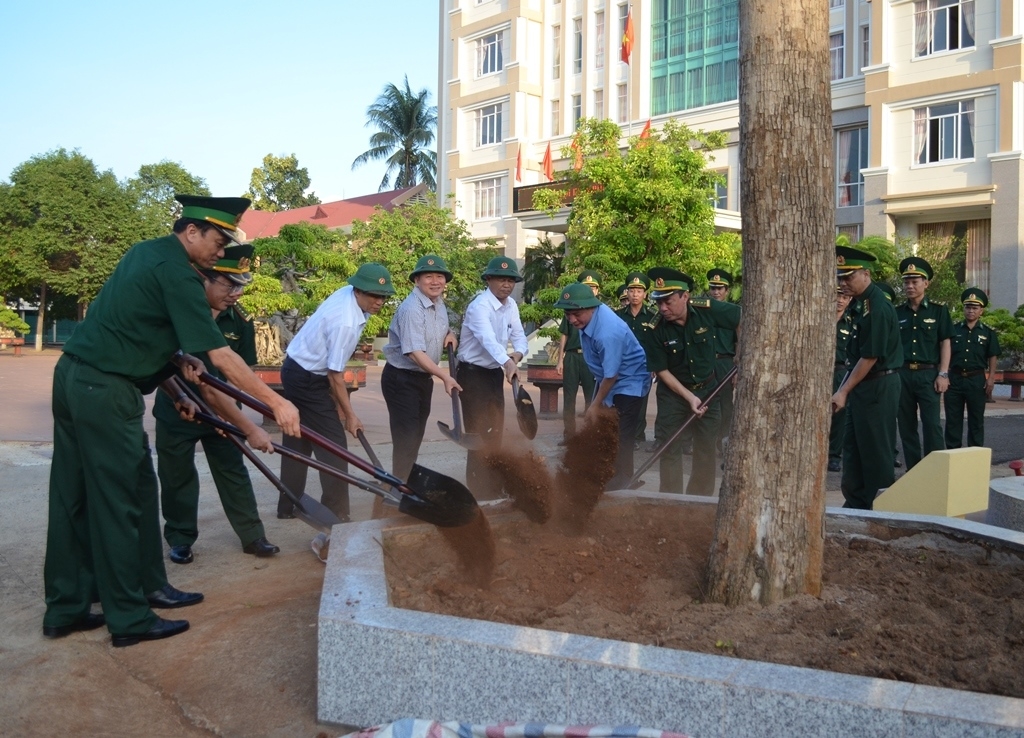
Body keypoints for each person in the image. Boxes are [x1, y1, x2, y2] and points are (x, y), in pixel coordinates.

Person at [43, 195, 301, 648]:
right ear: (192, 231)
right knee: (118, 501)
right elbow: (220, 356)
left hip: (75, 378)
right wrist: (274, 405)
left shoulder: (146, 251)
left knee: (85, 493)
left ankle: (72, 606)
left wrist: (176, 376)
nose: (221, 252)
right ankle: (129, 618)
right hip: (106, 391)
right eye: (218, 242)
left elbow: (136, 328)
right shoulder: (181, 273)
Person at [154, 244, 279, 565]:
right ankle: (180, 539)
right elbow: (158, 363)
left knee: (234, 471)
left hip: (221, 411)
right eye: (229, 284)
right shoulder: (175, 316)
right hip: (177, 410)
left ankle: (253, 536)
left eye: (241, 285)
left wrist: (239, 419)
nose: (236, 293)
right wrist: (178, 397)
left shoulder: (239, 322)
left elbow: (242, 377)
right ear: (204, 280)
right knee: (177, 477)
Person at [277, 263, 396, 520]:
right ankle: (337, 513)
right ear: (358, 291)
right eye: (374, 295)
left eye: (383, 297)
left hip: (297, 369)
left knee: (298, 439)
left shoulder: (346, 293)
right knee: (334, 445)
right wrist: (350, 415)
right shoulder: (346, 323)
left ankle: (288, 505)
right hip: (307, 378)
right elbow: (335, 376)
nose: (379, 302)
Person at [643, 267, 741, 496]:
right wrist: (690, 398)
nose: (662, 308)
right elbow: (661, 370)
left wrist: (740, 353)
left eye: (668, 301)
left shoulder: (707, 310)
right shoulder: (655, 328)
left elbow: (741, 317)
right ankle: (671, 501)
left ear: (685, 296)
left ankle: (699, 501)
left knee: (706, 450)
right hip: (674, 396)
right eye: (659, 302)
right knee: (670, 448)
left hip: (709, 389)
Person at [554, 283, 651, 487]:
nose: (572, 320)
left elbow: (611, 375)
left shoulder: (608, 332)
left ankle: (623, 479)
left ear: (591, 307)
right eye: (567, 314)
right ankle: (604, 471)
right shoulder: (586, 319)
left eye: (576, 314)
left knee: (621, 430)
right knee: (604, 427)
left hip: (630, 381)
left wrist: (594, 405)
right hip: (610, 379)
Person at [831, 245, 903, 510]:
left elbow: (870, 357)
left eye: (849, 277)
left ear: (866, 274)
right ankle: (856, 503)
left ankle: (881, 508)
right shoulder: (861, 307)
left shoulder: (877, 308)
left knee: (875, 450)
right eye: (840, 277)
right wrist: (845, 390)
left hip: (878, 386)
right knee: (854, 446)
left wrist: (843, 391)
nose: (843, 282)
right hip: (864, 386)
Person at [381, 254, 460, 482]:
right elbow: (415, 353)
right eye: (428, 276)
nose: (435, 281)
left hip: (422, 380)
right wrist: (444, 376)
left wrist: (450, 334)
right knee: (406, 438)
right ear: (417, 280)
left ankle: (404, 482)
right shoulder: (411, 309)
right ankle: (398, 488)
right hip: (401, 380)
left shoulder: (439, 303)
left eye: (440, 277)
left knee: (415, 437)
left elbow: (441, 327)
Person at [456, 256, 529, 500]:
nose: (506, 285)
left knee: (494, 430)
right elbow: (488, 340)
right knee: (478, 434)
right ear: (488, 279)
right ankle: (478, 491)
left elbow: (519, 337)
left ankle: (493, 488)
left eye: (511, 280)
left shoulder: (511, 306)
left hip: (493, 375)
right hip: (472, 375)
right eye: (501, 279)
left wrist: (516, 357)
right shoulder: (480, 307)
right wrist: (507, 362)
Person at [895, 257, 953, 469]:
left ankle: (935, 470)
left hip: (928, 375)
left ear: (926, 283)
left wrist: (943, 373)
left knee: (932, 425)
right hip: (902, 375)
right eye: (906, 282)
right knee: (906, 426)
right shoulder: (897, 312)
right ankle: (914, 471)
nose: (909, 286)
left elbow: (945, 343)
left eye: (915, 282)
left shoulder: (939, 311)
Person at [945, 289, 1001, 449]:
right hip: (954, 379)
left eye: (975, 308)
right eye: (968, 307)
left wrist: (991, 378)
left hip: (976, 380)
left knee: (976, 420)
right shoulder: (953, 330)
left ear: (981, 311)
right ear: (963, 308)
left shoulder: (988, 333)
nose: (971, 310)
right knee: (952, 420)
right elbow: (945, 352)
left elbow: (993, 355)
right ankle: (952, 453)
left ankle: (974, 455)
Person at [556, 270, 600, 445]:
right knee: (569, 397)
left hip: (590, 358)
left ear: (597, 291)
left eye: (593, 287)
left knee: (592, 397)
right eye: (586, 287)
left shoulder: (599, 313)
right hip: (572, 357)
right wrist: (560, 359)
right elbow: (564, 335)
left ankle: (590, 434)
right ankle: (569, 435)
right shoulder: (570, 308)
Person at [615, 271, 658, 448]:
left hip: (643, 367)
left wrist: (655, 365)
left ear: (645, 294)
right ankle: (622, 436)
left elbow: (655, 343)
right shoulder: (618, 315)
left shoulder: (652, 316)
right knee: (621, 401)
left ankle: (637, 437)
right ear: (627, 292)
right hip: (622, 366)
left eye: (639, 291)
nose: (635, 294)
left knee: (640, 402)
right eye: (631, 291)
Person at [706, 268, 737, 451]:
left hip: (726, 363)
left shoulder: (733, 312)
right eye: (713, 288)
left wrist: (737, 370)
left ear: (727, 290)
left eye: (720, 288)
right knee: (706, 402)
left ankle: (723, 442)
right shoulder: (703, 311)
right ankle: (706, 441)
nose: (716, 292)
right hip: (707, 363)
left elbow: (738, 343)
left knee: (726, 405)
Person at [828, 287, 854, 472]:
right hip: (820, 371)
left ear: (849, 301)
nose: (840, 300)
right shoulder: (821, 318)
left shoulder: (851, 323)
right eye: (838, 295)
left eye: (845, 297)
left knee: (838, 413)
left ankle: (834, 455)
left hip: (840, 371)